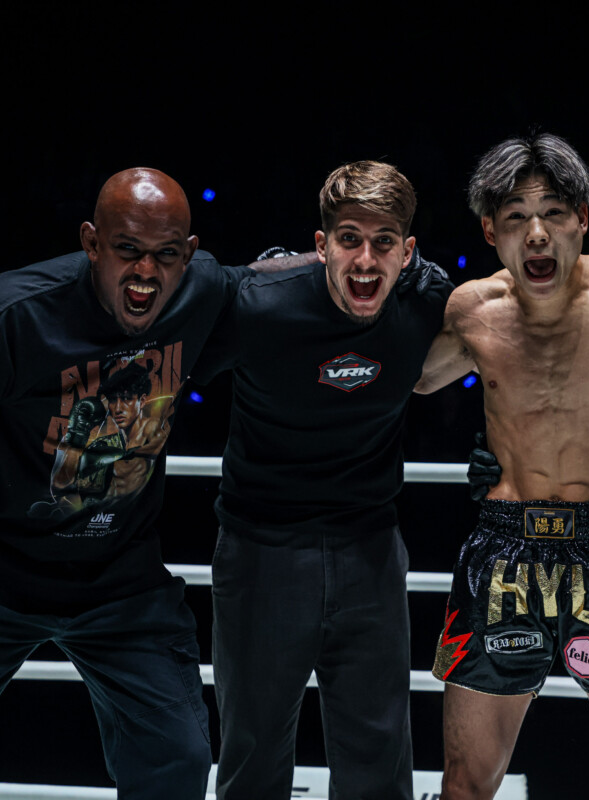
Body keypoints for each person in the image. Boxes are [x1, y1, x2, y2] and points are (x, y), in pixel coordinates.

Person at [0, 167, 299, 800]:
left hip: (119, 578)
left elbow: (264, 276)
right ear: (92, 243)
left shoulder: (199, 289)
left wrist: (377, 263)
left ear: (188, 254)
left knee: (178, 753)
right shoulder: (11, 315)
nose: (145, 272)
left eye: (165, 255)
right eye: (128, 250)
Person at [414, 133, 589, 799]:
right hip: (504, 548)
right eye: (516, 217)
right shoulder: (472, 310)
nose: (537, 234)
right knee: (466, 780)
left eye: (554, 213)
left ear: (582, 219)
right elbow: (405, 378)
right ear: (490, 231)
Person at [192, 160, 452, 799]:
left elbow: (515, 344)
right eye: (349, 239)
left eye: (384, 242)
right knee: (252, 757)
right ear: (321, 245)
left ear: (407, 252)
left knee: (379, 761)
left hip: (371, 550)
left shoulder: (427, 304)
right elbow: (167, 362)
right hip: (261, 550)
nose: (365, 260)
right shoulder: (259, 306)